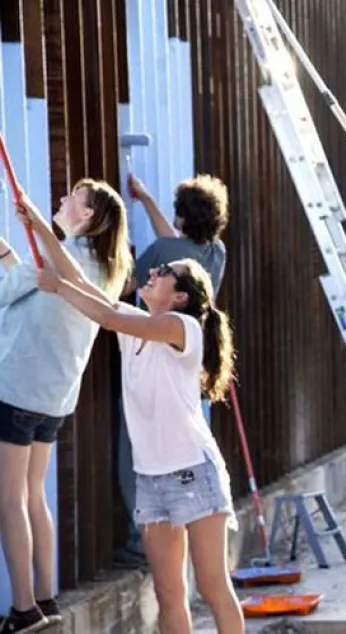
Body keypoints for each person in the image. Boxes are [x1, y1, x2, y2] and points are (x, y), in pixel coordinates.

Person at [36, 257, 243, 634]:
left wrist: (58, 287)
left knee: (213, 587)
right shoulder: (137, 326)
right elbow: (83, 282)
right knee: (168, 592)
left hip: (194, 473)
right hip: (150, 478)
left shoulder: (182, 326)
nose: (152, 271)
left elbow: (105, 315)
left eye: (164, 271)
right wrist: (35, 222)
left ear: (180, 296)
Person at [0, 181, 131, 633]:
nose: (62, 199)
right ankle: (45, 598)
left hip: (17, 389)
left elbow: (23, 287)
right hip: (51, 400)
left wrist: (37, 221)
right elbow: (30, 286)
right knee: (32, 494)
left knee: (9, 498)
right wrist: (10, 250)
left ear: (88, 215)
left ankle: (22, 609)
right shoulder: (100, 266)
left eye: (73, 196)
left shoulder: (68, 258)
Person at [116, 173, 229, 569]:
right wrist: (146, 198)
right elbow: (175, 242)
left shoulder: (164, 250)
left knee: (139, 451)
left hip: (154, 371)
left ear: (182, 216)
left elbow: (126, 286)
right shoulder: (215, 253)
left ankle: (140, 541)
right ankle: (184, 526)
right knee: (187, 453)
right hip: (189, 369)